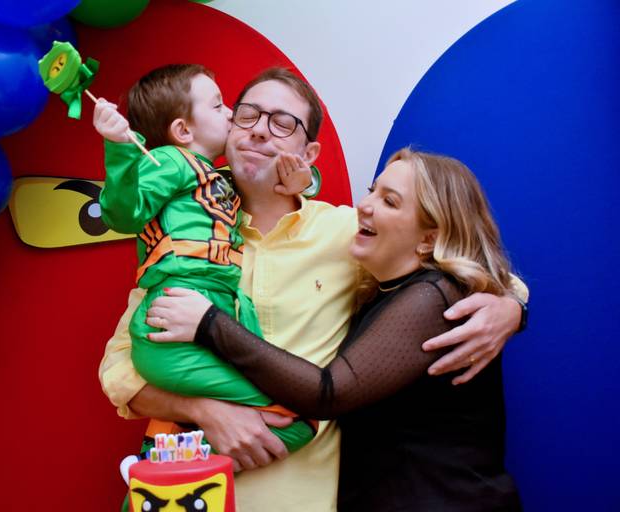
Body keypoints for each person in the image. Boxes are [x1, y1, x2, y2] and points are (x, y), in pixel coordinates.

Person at [99, 67, 527, 511]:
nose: (260, 130)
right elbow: (118, 369)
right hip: (191, 495)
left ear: (309, 152)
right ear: (227, 128)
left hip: (305, 498)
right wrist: (207, 411)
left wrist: (510, 306)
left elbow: (454, 267)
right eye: (247, 115)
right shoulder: (188, 231)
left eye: (283, 123)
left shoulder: (348, 235)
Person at [93, 64, 317, 456]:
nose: (231, 115)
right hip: (172, 318)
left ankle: (166, 462)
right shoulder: (171, 162)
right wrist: (119, 149)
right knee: (299, 416)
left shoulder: (218, 180)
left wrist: (304, 183)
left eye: (281, 124)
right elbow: (124, 213)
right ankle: (163, 466)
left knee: (293, 408)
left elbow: (272, 170)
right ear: (183, 131)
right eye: (219, 106)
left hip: (221, 310)